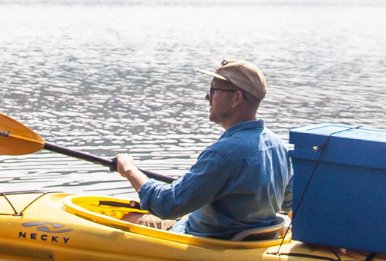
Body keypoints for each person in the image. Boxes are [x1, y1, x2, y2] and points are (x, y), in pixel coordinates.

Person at [113, 58, 292, 240]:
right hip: (253, 241)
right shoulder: (278, 145)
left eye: (214, 90)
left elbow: (166, 205)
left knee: (127, 218)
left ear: (236, 98)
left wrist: (129, 170)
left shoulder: (224, 153)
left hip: (208, 241)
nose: (207, 97)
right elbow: (289, 200)